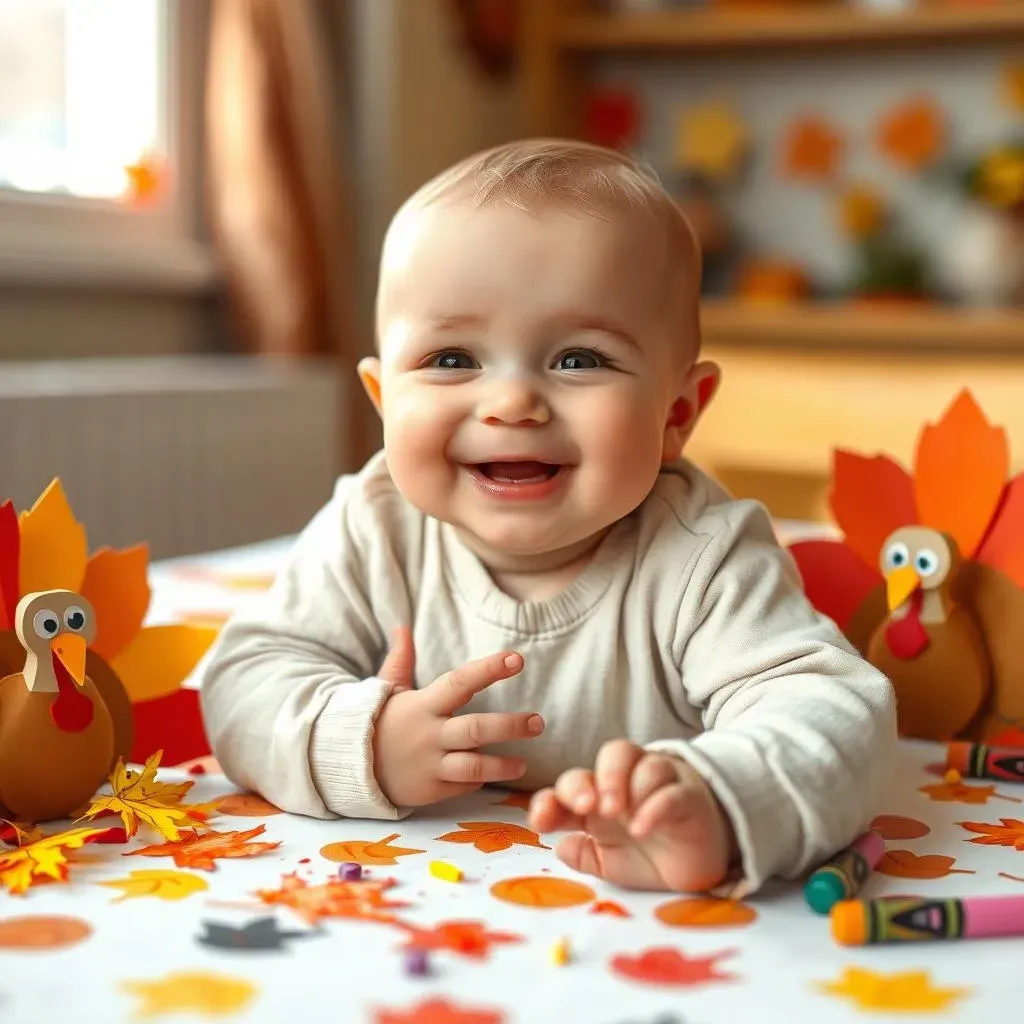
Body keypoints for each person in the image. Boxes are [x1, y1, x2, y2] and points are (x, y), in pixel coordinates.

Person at [199, 139, 897, 895]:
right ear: (383, 399)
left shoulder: (702, 555)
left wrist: (719, 798)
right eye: (452, 359)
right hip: (425, 906)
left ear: (676, 414)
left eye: (578, 359)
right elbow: (242, 680)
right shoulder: (375, 527)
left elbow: (838, 713)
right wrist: (359, 742)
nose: (511, 403)